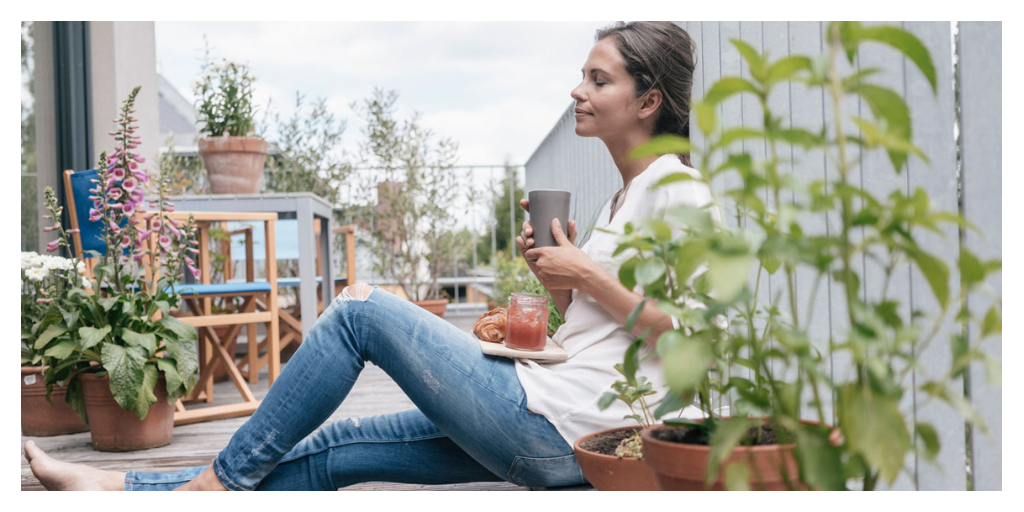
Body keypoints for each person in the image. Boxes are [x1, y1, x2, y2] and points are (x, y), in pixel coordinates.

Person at [24, 21, 713, 491]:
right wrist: (558, 282)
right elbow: (603, 332)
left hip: (563, 430)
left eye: (598, 79)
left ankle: (214, 489)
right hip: (552, 414)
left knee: (360, 313)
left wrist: (586, 271)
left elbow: (693, 346)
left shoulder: (680, 191)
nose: (578, 91)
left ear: (648, 99)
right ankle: (128, 487)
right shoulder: (627, 197)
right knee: (337, 451)